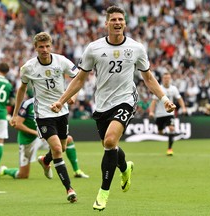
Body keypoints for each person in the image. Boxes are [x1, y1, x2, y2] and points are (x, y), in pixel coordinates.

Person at [50, 5, 176, 211]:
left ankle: (103, 193)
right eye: (114, 20)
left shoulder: (136, 48)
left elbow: (148, 77)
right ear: (106, 23)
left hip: (126, 99)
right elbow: (80, 79)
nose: (117, 23)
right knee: (110, 145)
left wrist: (164, 99)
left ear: (125, 23)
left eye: (121, 19)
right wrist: (62, 100)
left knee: (109, 141)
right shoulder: (94, 48)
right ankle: (125, 169)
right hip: (102, 103)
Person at [9, 32, 79, 203]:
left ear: (51, 46)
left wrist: (73, 96)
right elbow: (22, 90)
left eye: (47, 46)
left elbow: (79, 77)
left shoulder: (61, 61)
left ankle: (45, 160)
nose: (45, 50)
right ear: (35, 48)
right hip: (43, 114)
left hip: (61, 111)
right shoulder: (28, 68)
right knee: (56, 148)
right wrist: (15, 113)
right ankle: (69, 189)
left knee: (61, 148)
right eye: (41, 47)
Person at [0, 97, 89, 179]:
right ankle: (5, 170)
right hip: (28, 140)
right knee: (23, 175)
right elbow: (18, 124)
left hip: (44, 136)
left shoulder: (50, 102)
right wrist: (35, 132)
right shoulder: (28, 104)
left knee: (68, 139)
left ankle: (77, 171)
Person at [149, 72, 187, 156]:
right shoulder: (159, 88)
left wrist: (183, 108)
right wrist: (151, 112)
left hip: (170, 113)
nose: (166, 80)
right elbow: (153, 102)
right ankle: (165, 131)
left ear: (170, 79)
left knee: (171, 128)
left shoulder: (174, 89)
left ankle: (170, 149)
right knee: (160, 132)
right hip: (159, 114)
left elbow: (179, 99)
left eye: (168, 78)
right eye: (165, 78)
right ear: (163, 79)